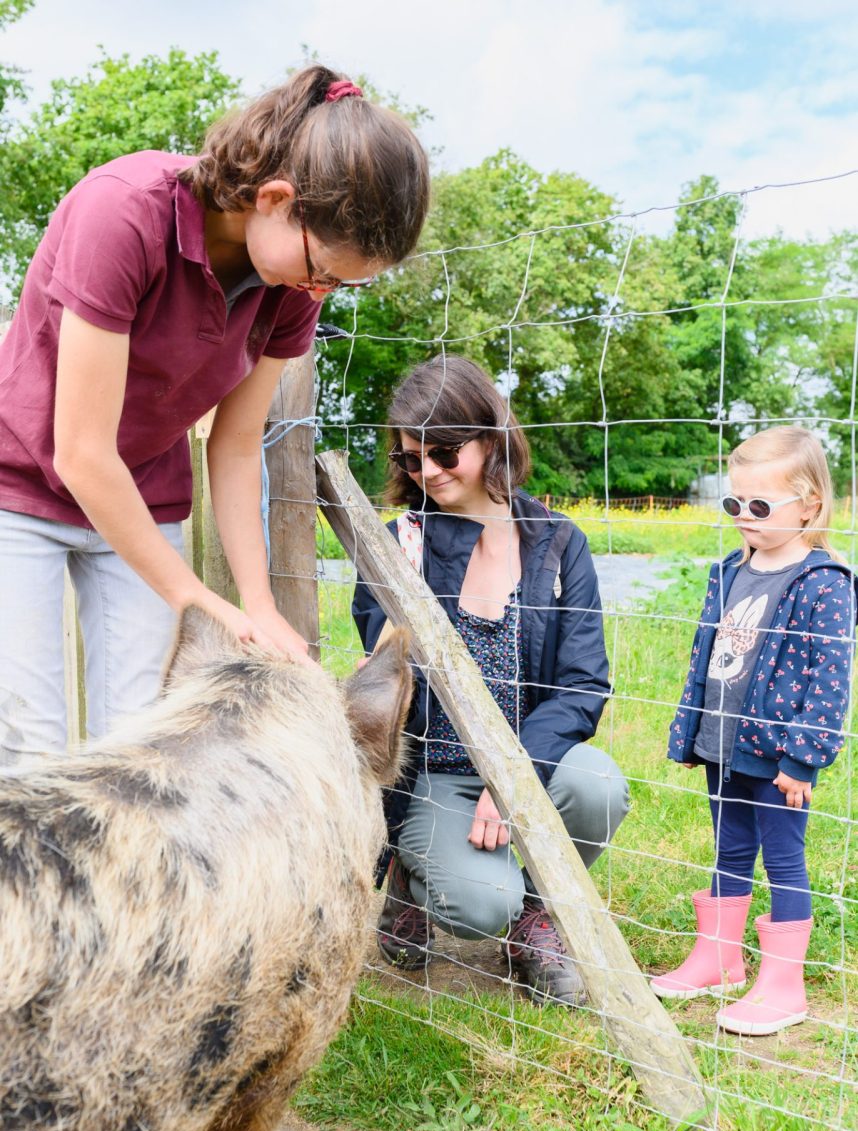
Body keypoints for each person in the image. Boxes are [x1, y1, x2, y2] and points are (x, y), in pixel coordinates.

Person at [0, 66, 429, 769]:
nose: (323, 291)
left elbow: (234, 448)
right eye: (325, 271)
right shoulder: (124, 213)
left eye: (341, 285)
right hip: (19, 486)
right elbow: (80, 452)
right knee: (27, 744)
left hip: (142, 495)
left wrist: (256, 604)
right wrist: (196, 597)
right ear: (275, 198)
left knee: (141, 741)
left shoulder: (292, 286)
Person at [352, 355, 630, 1006]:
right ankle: (414, 878)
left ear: (492, 436)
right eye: (411, 460)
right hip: (436, 772)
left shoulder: (559, 543)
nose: (428, 473)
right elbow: (384, 665)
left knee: (598, 787)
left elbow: (584, 684)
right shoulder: (399, 544)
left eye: (445, 453)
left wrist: (513, 783)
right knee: (478, 904)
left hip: (531, 762)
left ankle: (537, 916)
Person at [659, 427, 856, 1035]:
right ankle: (719, 959)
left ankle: (783, 984)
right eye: (734, 503)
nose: (744, 517)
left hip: (778, 758)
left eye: (761, 506)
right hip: (724, 743)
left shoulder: (823, 584)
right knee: (729, 847)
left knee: (783, 856)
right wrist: (690, 734)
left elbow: (831, 682)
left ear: (810, 505)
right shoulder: (730, 571)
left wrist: (803, 758)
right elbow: (707, 656)